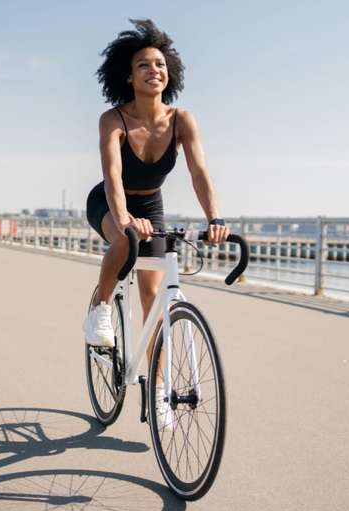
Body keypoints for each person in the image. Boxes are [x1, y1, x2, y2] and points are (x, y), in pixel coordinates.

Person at [83, 19, 229, 358]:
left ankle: (158, 393)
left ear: (170, 72)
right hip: (108, 200)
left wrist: (215, 218)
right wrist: (124, 220)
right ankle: (100, 312)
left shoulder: (182, 120)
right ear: (129, 76)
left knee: (154, 297)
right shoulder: (113, 120)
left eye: (160, 64)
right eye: (143, 65)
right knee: (123, 238)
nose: (154, 70)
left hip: (151, 205)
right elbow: (113, 175)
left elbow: (199, 172)